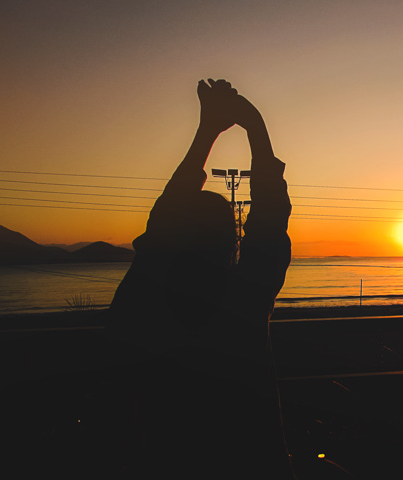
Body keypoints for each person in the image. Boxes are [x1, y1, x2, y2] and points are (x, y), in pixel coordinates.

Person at [108, 79, 295, 477]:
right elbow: (268, 223)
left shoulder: (140, 303)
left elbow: (165, 219)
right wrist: (253, 124)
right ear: (231, 241)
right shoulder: (240, 305)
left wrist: (207, 131)